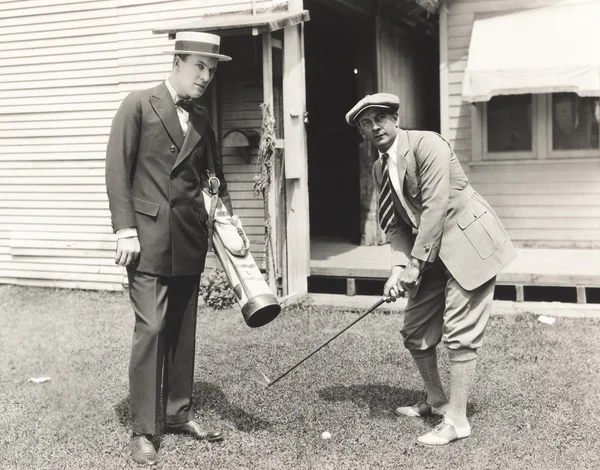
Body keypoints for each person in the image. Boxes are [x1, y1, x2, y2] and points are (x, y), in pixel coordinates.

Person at [345, 93, 517, 447]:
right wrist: (397, 268)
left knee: (459, 330)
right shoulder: (380, 167)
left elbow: (436, 207)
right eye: (366, 122)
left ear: (395, 118)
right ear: (362, 131)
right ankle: (437, 400)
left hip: (469, 243)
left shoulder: (428, 144)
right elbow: (395, 224)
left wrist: (415, 266)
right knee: (415, 328)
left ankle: (457, 420)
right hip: (434, 250)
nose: (374, 126)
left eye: (380, 118)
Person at [105, 31, 233, 465]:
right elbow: (117, 172)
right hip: (146, 241)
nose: (206, 77)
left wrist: (229, 225)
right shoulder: (138, 104)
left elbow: (212, 182)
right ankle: (143, 430)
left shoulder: (201, 119)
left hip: (189, 238)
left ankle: (177, 413)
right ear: (178, 61)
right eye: (200, 66)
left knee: (182, 329)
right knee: (153, 328)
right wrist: (124, 229)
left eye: (212, 70)